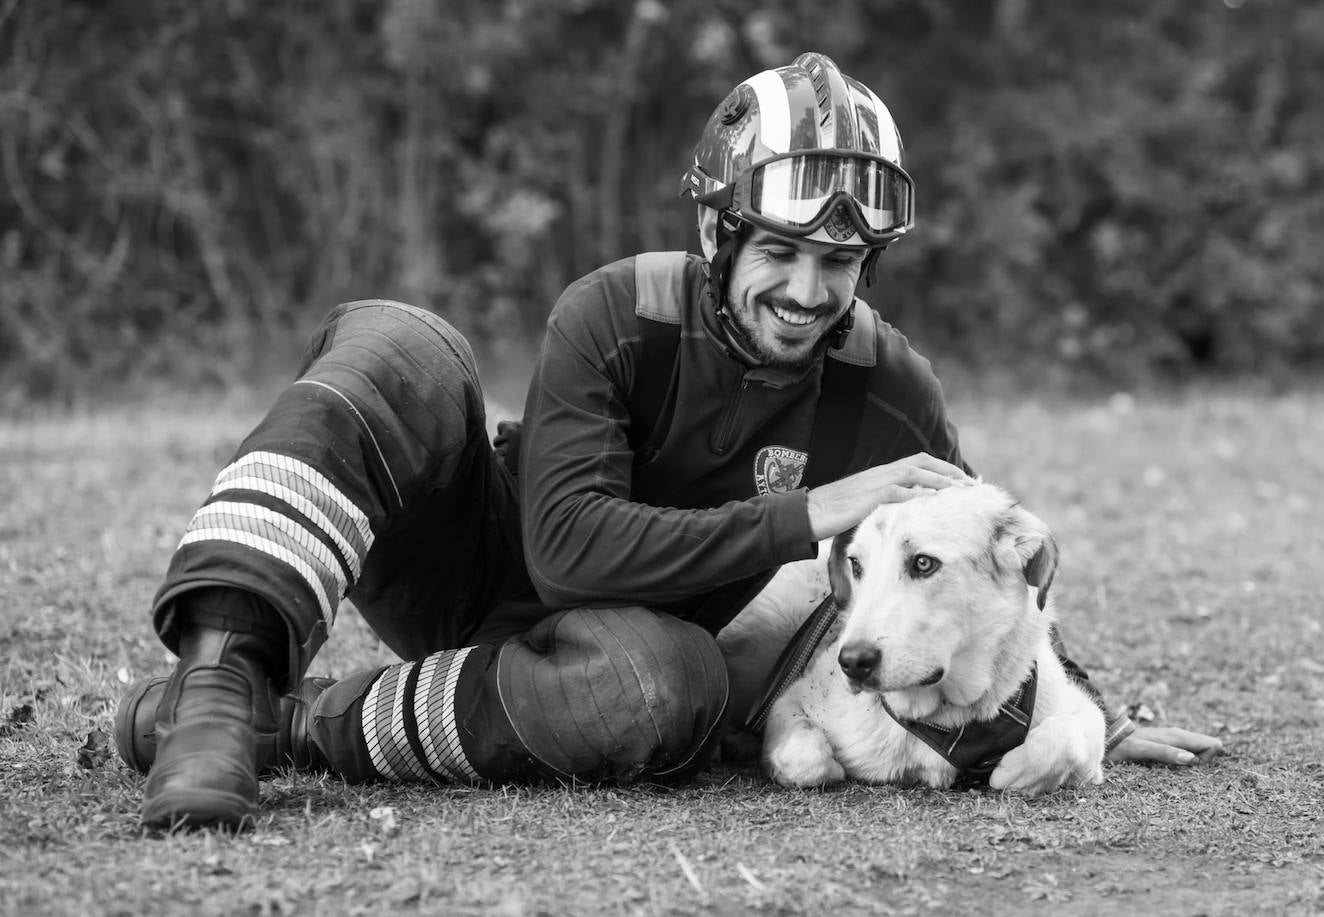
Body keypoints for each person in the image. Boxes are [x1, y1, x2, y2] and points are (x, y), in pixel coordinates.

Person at [115, 51, 1222, 830]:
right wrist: (811, 512)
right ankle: (217, 683)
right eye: (780, 251)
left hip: (616, 663)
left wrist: (1087, 708)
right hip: (477, 565)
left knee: (664, 686)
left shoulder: (888, 383)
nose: (806, 289)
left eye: (839, 264)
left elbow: (987, 556)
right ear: (717, 231)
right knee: (401, 341)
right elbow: (564, 555)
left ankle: (300, 722)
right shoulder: (611, 310)